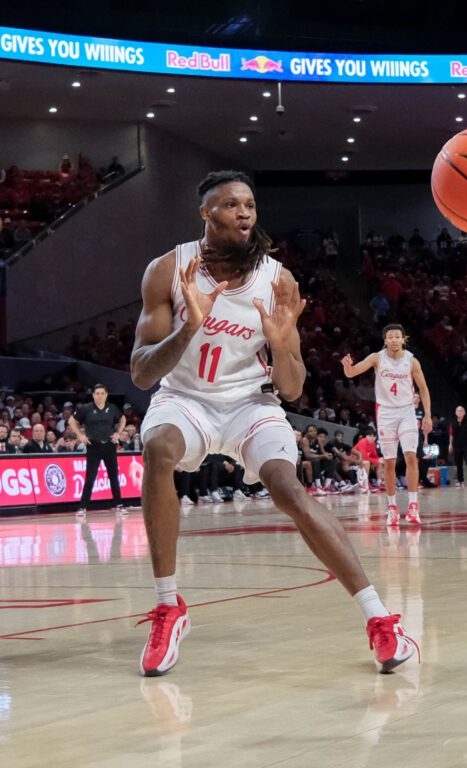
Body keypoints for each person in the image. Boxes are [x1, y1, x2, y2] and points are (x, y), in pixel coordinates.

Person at [130, 170, 416, 677]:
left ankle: (378, 618)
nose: (244, 213)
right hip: (186, 397)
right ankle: (168, 607)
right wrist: (187, 328)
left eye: (250, 205)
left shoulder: (278, 280)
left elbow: (292, 388)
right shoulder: (166, 270)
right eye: (231, 205)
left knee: (288, 487)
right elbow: (142, 371)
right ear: (206, 214)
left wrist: (283, 343)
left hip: (250, 404)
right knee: (158, 450)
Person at [343, 324, 433, 526]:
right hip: (385, 413)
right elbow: (352, 373)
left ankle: (413, 506)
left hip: (407, 411)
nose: (393, 339)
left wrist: (427, 415)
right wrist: (348, 368)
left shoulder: (412, 361)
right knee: (389, 462)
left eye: (397, 336)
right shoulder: (377, 358)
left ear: (403, 339)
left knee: (411, 456)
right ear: (385, 340)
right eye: (390, 336)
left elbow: (424, 388)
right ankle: (392, 507)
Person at [68, 384, 127, 517]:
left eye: (102, 393)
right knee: (90, 477)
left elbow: (123, 419)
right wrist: (80, 435)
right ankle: (82, 507)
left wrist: (118, 433)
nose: (99, 396)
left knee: (113, 476)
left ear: (106, 395)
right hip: (93, 446)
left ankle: (119, 505)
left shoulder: (112, 408)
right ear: (93, 395)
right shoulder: (86, 408)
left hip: (109, 445)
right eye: (97, 393)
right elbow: (72, 421)